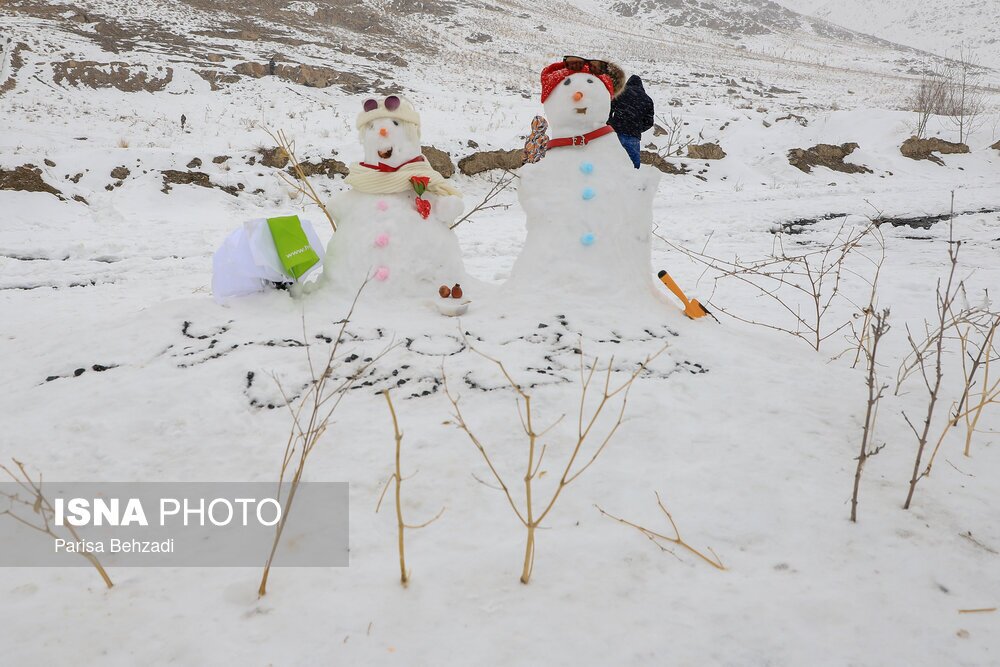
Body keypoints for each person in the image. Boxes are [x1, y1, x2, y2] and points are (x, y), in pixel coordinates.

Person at [608, 74, 654, 169]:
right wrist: (637, 128)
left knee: (611, 159)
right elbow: (649, 122)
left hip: (616, 131)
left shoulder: (620, 93)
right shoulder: (648, 100)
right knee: (633, 164)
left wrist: (610, 123)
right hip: (633, 136)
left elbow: (609, 109)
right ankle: (633, 181)